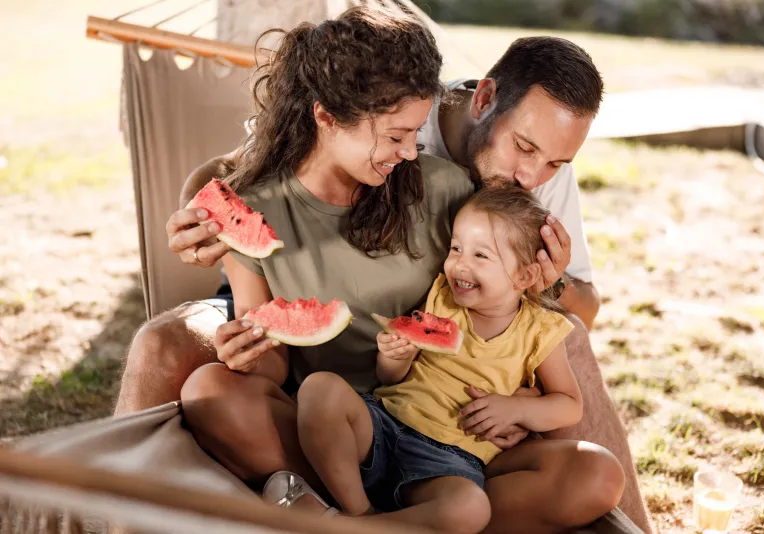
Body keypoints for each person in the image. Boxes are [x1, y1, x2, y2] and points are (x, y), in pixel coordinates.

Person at [118, 29, 652, 534]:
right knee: (181, 364)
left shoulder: (456, 186)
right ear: (484, 100)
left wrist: (529, 346)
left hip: (445, 393)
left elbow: (572, 307)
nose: (533, 177)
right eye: (525, 148)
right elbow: (229, 176)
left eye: (556, 162)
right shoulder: (388, 109)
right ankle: (113, 514)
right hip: (340, 380)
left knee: (573, 365)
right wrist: (200, 217)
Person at [284, 186, 624, 533]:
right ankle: (356, 514)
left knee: (471, 509)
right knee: (319, 388)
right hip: (383, 425)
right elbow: (390, 380)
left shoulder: (541, 330)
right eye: (456, 248)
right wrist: (393, 359)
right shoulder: (442, 297)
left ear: (524, 275)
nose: (459, 263)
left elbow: (569, 404)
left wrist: (517, 410)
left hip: (449, 463)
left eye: (481, 256)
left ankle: (357, 521)